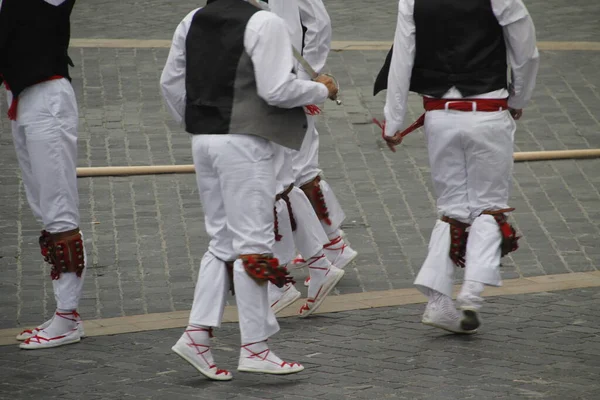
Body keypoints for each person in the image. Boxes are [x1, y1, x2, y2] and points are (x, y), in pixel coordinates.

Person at [160, 0, 338, 380]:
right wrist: (319, 89)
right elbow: (277, 90)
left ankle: (197, 335)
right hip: (245, 141)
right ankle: (255, 347)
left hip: (205, 140)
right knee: (254, 245)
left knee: (222, 243)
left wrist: (197, 124)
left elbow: (170, 85)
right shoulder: (264, 22)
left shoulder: (190, 20)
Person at [380, 0, 539, 333]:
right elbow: (526, 54)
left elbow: (402, 59)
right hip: (487, 112)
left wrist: (393, 122)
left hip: (440, 116)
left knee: (452, 209)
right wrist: (518, 100)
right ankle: (471, 293)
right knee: (489, 207)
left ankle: (439, 302)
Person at [0, 0, 87, 350]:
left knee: (58, 206)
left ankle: (68, 317)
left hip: (47, 100)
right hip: (21, 97)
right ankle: (63, 314)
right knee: (42, 203)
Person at [264, 0, 345, 318]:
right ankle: (325, 256)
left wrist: (304, 81)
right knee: (288, 178)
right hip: (277, 90)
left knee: (289, 178)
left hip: (282, 90)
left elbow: (319, 23)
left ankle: (325, 253)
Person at [291, 0, 358, 282]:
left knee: (299, 170)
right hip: (279, 81)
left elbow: (319, 22)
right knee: (299, 170)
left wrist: (307, 77)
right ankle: (332, 243)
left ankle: (332, 246)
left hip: (290, 81)